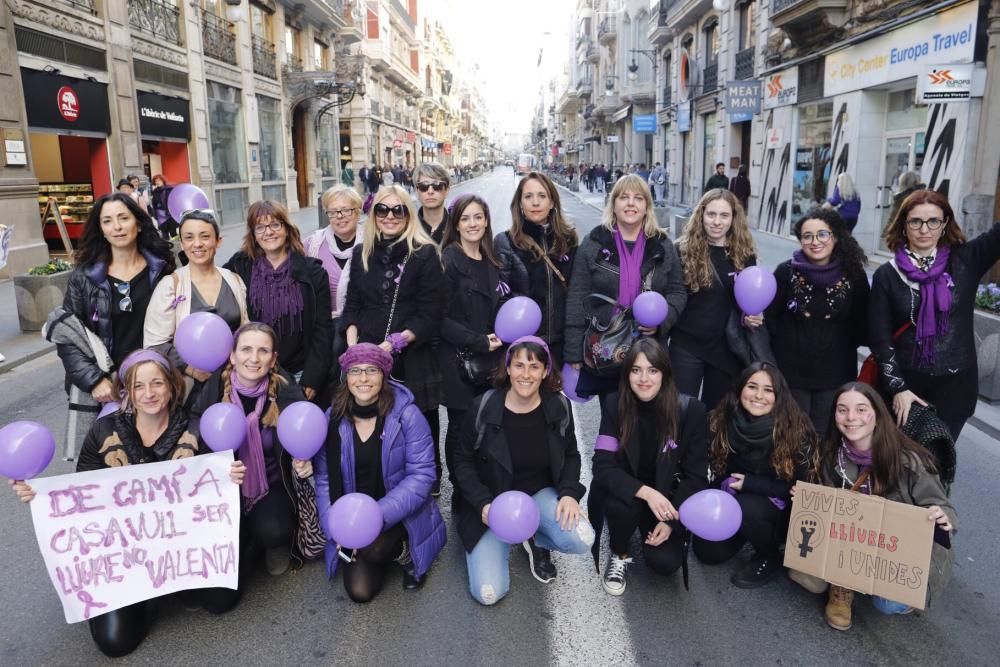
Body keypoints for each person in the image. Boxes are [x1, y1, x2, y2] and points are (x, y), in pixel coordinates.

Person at [10, 349, 245, 657]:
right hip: (123, 557)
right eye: (138, 386)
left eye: (157, 383)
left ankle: (175, 582)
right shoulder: (103, 430)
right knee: (115, 644)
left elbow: (213, 498)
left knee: (220, 602)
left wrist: (230, 475)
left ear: (172, 386)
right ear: (128, 393)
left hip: (180, 548)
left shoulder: (196, 428)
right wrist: (40, 495)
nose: (149, 393)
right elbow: (81, 495)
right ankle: (141, 594)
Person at [453, 336, 595, 605]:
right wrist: (482, 503)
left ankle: (535, 536)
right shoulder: (484, 406)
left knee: (582, 539)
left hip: (537, 493)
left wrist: (568, 494)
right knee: (488, 594)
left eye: (534, 367)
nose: (525, 374)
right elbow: (462, 461)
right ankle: (499, 542)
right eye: (518, 365)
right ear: (507, 368)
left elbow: (571, 453)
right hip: (493, 501)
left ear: (545, 371)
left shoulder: (558, 406)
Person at [813, 382, 956, 630]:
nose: (851, 418)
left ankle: (882, 583)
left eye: (861, 409)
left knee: (887, 603)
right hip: (855, 539)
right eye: (842, 410)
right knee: (809, 580)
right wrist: (808, 496)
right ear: (834, 415)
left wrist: (941, 515)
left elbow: (943, 507)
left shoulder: (910, 460)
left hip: (899, 549)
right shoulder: (830, 454)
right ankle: (843, 583)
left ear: (877, 416)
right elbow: (825, 507)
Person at [313, 343, 446, 602]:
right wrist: (336, 528)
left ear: (384, 375)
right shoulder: (333, 417)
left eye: (372, 370)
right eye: (355, 371)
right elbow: (324, 479)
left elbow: (422, 476)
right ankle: (367, 548)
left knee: (374, 549)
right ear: (346, 377)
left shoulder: (406, 415)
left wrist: (374, 516)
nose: (363, 378)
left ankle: (405, 553)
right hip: (351, 515)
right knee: (360, 592)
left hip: (398, 513)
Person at [189, 323, 319, 577]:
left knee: (273, 530)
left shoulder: (285, 390)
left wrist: (303, 459)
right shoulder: (217, 384)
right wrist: (216, 464)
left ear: (273, 360)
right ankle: (245, 537)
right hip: (224, 484)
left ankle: (269, 539)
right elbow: (196, 421)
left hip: (271, 484)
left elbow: (305, 428)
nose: (254, 358)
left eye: (263, 351)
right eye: (246, 349)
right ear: (233, 355)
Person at [869, 189, 1000, 442]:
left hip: (956, 388)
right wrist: (898, 388)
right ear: (904, 225)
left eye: (933, 221)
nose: (924, 229)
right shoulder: (888, 274)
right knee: (901, 466)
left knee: (937, 468)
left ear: (945, 224)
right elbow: (880, 338)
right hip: (906, 388)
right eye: (916, 221)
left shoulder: (966, 260)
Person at [341, 185, 445, 493]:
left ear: (408, 214)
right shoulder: (363, 252)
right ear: (373, 215)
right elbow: (353, 306)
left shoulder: (424, 253)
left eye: (397, 209)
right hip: (368, 353)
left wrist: (395, 343)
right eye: (382, 210)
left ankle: (428, 477)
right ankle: (385, 477)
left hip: (411, 356)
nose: (389, 216)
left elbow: (431, 313)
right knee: (377, 420)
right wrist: (353, 346)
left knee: (419, 420)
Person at [589, 339, 709, 595]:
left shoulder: (691, 411)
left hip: (666, 502)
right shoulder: (614, 405)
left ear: (665, 374)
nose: (644, 378)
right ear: (627, 374)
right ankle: (620, 551)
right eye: (636, 370)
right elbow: (602, 466)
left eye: (652, 370)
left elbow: (696, 477)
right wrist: (645, 492)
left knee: (665, 563)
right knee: (622, 507)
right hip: (631, 494)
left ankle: (649, 527)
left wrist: (673, 522)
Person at [693, 363, 817, 588]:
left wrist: (751, 484)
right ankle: (745, 530)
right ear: (740, 389)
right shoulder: (721, 419)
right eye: (752, 386)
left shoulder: (794, 430)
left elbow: (796, 491)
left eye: (768, 390)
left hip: (776, 507)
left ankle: (770, 555)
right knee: (707, 552)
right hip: (734, 498)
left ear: (778, 395)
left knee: (745, 507)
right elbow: (714, 471)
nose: (759, 396)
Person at [565, 174, 687, 398]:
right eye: (623, 197)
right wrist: (573, 351)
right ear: (613, 204)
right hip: (606, 345)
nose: (631, 203)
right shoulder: (594, 243)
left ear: (646, 206)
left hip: (649, 348)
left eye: (638, 198)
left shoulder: (662, 245)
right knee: (612, 414)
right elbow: (577, 296)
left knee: (649, 418)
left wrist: (662, 322)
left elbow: (677, 291)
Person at [57, 193, 174, 420]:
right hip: (108, 388)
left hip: (156, 384)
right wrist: (94, 380)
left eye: (123, 218)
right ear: (101, 229)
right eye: (107, 221)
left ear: (138, 224)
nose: (117, 227)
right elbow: (68, 336)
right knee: (112, 453)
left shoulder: (162, 269)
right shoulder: (84, 277)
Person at [766, 207, 869, 435]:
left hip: (836, 373)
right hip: (791, 373)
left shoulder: (853, 274)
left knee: (825, 436)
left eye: (822, 234)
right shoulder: (785, 273)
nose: (815, 242)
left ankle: (819, 473)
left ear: (835, 237)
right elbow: (770, 319)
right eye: (807, 236)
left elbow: (863, 323)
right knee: (792, 433)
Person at [224, 200, 333, 404]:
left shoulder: (313, 272)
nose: (269, 232)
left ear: (287, 229)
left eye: (275, 224)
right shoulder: (240, 267)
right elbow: (212, 283)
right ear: (254, 235)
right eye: (260, 227)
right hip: (254, 371)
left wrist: (313, 378)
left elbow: (323, 329)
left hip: (300, 373)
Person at [438, 194, 507, 509]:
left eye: (478, 217)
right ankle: (461, 492)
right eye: (465, 218)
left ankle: (482, 484)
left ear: (487, 221)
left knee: (489, 423)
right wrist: (478, 340)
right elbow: (440, 320)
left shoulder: (494, 260)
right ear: (456, 224)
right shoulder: (449, 259)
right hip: (459, 362)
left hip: (491, 361)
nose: (472, 224)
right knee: (460, 428)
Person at [144, 210, 248, 403]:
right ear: (182, 244)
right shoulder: (170, 285)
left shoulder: (234, 281)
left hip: (235, 380)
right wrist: (192, 370)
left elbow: (246, 329)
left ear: (218, 241)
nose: (197, 244)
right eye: (189, 238)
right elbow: (154, 343)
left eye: (205, 236)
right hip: (190, 388)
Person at [671, 188, 756, 410]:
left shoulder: (744, 255)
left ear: (733, 218)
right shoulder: (681, 250)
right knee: (680, 413)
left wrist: (752, 317)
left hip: (726, 348)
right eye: (711, 214)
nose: (717, 222)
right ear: (701, 215)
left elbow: (749, 300)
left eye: (724, 215)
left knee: (718, 416)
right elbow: (671, 296)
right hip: (686, 345)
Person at [494, 171, 578, 366]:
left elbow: (576, 294)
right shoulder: (506, 242)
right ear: (520, 204)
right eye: (528, 196)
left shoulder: (568, 240)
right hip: (523, 348)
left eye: (542, 196)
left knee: (557, 397)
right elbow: (500, 299)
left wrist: (573, 345)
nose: (535, 202)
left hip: (560, 346)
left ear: (552, 202)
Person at [304, 185, 365, 370]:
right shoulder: (312, 244)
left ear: (358, 211)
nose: (339, 216)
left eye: (346, 210)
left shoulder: (372, 243)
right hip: (322, 330)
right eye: (333, 212)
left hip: (363, 328)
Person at [413, 162, 451, 244]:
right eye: (424, 186)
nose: (430, 191)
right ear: (416, 191)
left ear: (447, 190)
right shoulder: (407, 230)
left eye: (437, 185)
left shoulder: (458, 229)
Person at [885, 170, 925, 235]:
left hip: (906, 236)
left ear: (903, 183)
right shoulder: (926, 198)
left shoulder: (901, 200)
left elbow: (892, 220)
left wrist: (886, 233)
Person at [149, 174, 177, 239]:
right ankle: (167, 247)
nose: (157, 182)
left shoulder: (169, 189)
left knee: (173, 233)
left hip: (169, 214)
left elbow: (173, 201)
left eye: (158, 180)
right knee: (164, 233)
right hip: (160, 215)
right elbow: (154, 204)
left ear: (162, 180)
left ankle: (176, 247)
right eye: (155, 181)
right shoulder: (155, 191)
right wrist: (154, 214)